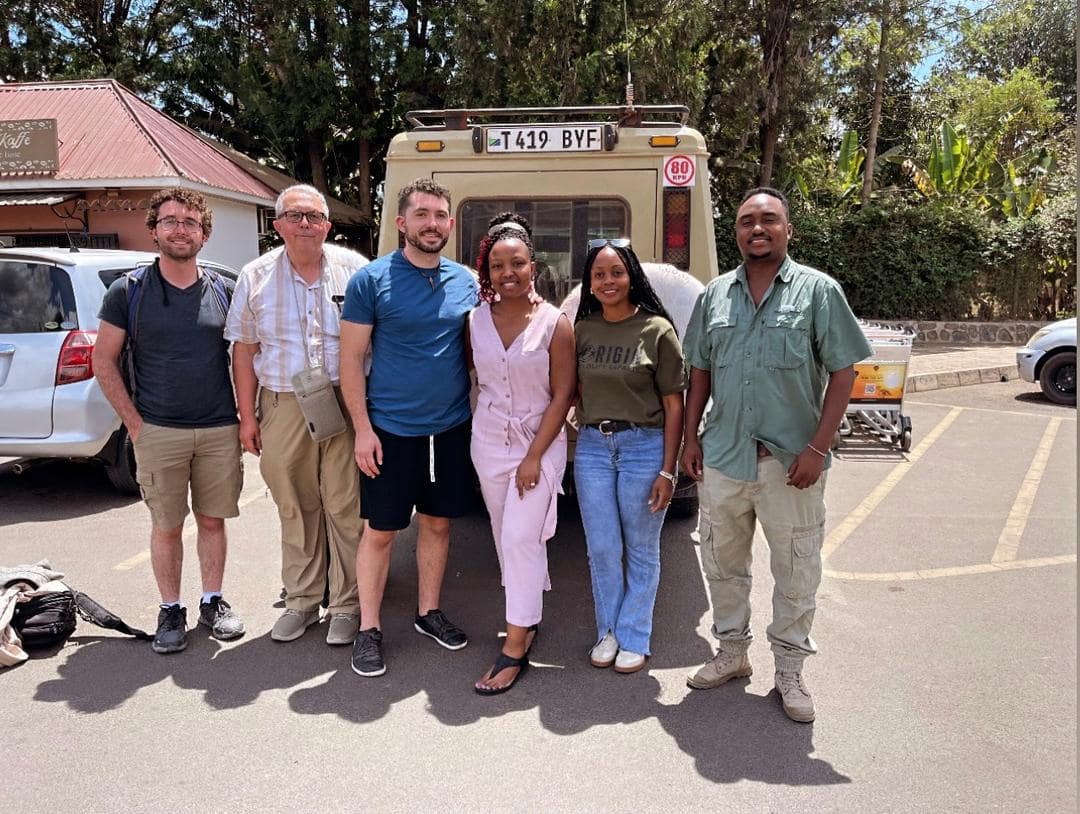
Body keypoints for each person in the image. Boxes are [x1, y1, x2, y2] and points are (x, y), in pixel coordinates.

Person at [681, 187, 872, 723]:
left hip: (791, 464)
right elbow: (699, 370)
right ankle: (732, 653)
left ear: (788, 229)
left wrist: (818, 447)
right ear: (736, 232)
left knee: (796, 570)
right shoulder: (715, 295)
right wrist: (690, 439)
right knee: (721, 563)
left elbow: (843, 372)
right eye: (746, 222)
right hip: (724, 457)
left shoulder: (818, 292)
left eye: (768, 220)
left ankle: (789, 669)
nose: (756, 229)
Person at [93, 187, 244, 654]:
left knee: (214, 521)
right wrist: (136, 426)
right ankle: (170, 608)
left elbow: (243, 357)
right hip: (158, 429)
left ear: (204, 232)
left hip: (220, 428)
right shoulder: (129, 291)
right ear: (154, 229)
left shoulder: (224, 290)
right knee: (167, 526)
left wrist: (246, 416)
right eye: (171, 221)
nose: (181, 229)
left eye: (191, 222)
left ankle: (213, 601)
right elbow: (103, 361)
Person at [339, 178, 478, 677]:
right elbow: (351, 361)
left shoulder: (466, 280)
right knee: (381, 531)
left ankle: (427, 613)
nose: (432, 223)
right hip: (390, 429)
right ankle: (369, 629)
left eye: (440, 215)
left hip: (451, 428)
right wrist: (362, 429)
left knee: (438, 524)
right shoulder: (371, 281)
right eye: (422, 214)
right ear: (402, 222)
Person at [225, 184, 367, 647]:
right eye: (295, 215)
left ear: (328, 224)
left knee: (346, 505)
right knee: (295, 503)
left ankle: (347, 604)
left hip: (344, 400)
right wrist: (248, 417)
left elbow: (376, 342)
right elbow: (243, 351)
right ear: (278, 224)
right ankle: (303, 601)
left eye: (314, 216)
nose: (305, 224)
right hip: (284, 403)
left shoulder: (356, 271)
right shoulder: (256, 275)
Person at [468, 221, 576, 694]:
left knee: (519, 537)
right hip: (488, 443)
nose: (507, 272)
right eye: (497, 265)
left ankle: (515, 645)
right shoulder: (473, 320)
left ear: (533, 267)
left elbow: (564, 393)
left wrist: (535, 456)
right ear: (487, 271)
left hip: (540, 444)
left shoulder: (556, 323)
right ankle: (526, 616)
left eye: (516, 263)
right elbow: (475, 378)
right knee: (504, 536)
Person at [574, 238, 686, 674]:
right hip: (593, 449)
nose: (608, 281)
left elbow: (674, 403)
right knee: (602, 547)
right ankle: (609, 632)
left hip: (645, 447)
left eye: (616, 272)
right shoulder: (582, 329)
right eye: (598, 274)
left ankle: (635, 634)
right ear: (589, 281)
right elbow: (574, 385)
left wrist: (668, 469)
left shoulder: (657, 329)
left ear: (631, 276)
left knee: (641, 547)